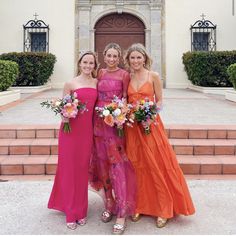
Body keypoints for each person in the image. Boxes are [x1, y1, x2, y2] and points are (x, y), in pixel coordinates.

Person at [124, 43, 195, 228]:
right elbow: (125, 101)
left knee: (156, 164)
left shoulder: (153, 76)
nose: (136, 60)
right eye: (132, 57)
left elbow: (160, 100)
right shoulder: (127, 77)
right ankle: (139, 204)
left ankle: (163, 208)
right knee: (137, 164)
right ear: (128, 60)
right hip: (133, 128)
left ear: (145, 58)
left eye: (139, 57)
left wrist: (150, 116)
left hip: (150, 125)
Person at [89, 43, 136, 235]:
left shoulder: (124, 75)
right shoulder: (99, 73)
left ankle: (122, 212)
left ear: (119, 57)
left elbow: (124, 98)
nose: (111, 59)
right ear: (104, 55)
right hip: (98, 123)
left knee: (117, 165)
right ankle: (109, 202)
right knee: (102, 164)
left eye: (115, 56)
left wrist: (120, 117)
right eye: (109, 55)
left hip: (115, 125)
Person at [48, 51, 98, 230]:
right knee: (69, 170)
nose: (88, 66)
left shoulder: (96, 83)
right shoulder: (70, 83)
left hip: (87, 133)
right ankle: (70, 211)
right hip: (70, 132)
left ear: (94, 65)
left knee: (82, 170)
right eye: (85, 62)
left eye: (91, 63)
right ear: (79, 63)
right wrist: (65, 114)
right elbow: (63, 107)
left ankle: (81, 210)